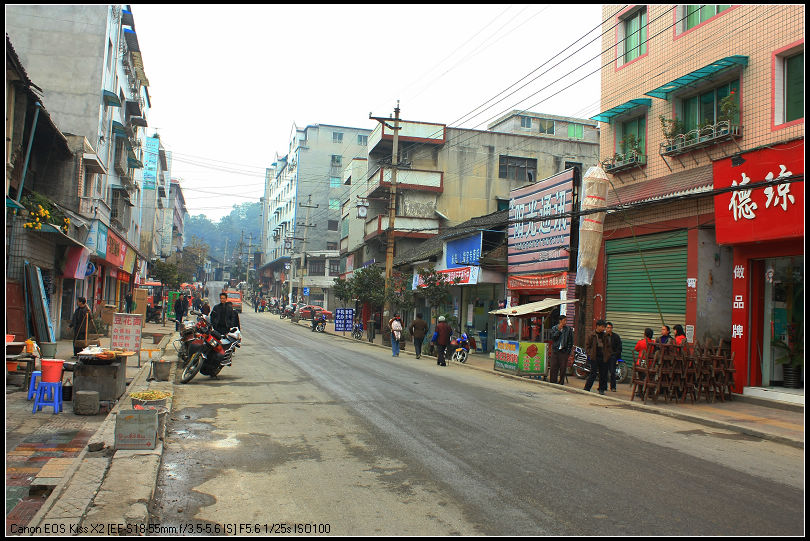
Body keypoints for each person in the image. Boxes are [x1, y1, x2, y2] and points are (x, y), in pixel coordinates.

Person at [584, 319, 612, 395]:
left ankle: (601, 389)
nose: (603, 329)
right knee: (593, 373)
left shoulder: (606, 336)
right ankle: (587, 388)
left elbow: (609, 346)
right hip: (594, 357)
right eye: (602, 327)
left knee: (603, 374)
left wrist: (608, 355)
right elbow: (587, 346)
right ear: (598, 326)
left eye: (604, 327)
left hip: (603, 357)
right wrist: (590, 353)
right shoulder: (591, 335)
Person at [549, 314, 574, 385]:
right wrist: (559, 331)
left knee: (563, 368)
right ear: (560, 321)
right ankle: (553, 381)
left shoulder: (568, 329)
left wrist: (568, 351)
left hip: (564, 351)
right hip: (555, 350)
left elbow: (570, 341)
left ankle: (561, 382)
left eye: (566, 320)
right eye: (564, 321)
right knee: (554, 367)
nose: (565, 322)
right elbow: (553, 338)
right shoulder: (554, 328)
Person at [605, 322, 623, 392]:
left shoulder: (616, 337)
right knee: (604, 372)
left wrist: (615, 355)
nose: (609, 329)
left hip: (613, 356)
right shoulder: (603, 336)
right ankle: (604, 386)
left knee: (612, 372)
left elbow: (619, 348)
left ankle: (613, 387)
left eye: (610, 328)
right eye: (608, 328)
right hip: (605, 356)